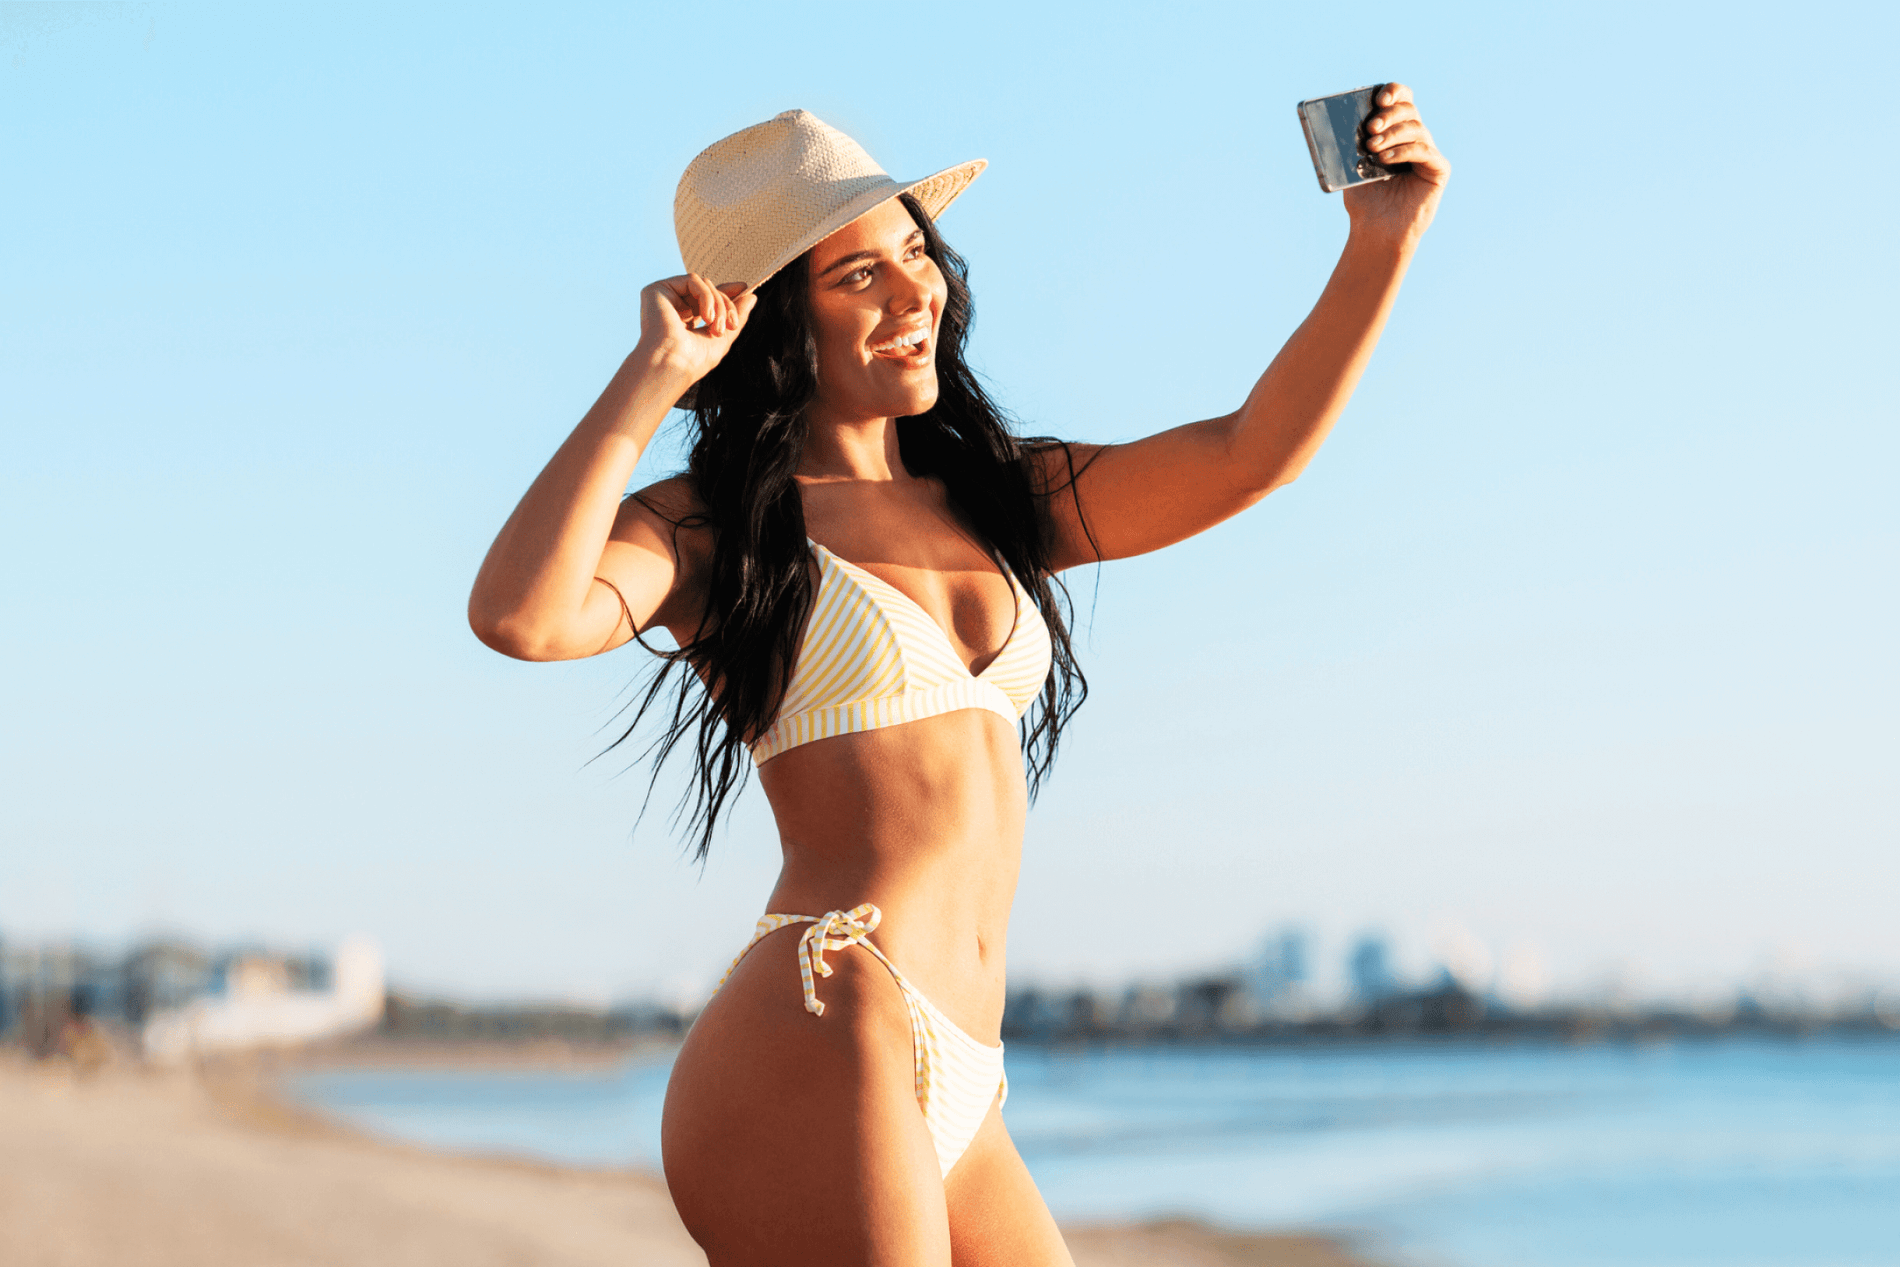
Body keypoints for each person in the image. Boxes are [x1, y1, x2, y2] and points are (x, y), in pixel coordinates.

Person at [470, 97, 1448, 1267]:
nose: (912, 293)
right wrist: (650, 381)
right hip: (830, 1014)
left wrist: (1379, 243)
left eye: (914, 257)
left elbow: (1250, 456)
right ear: (775, 321)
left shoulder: (997, 497)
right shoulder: (715, 529)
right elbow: (522, 615)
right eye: (856, 278)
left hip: (963, 1076)